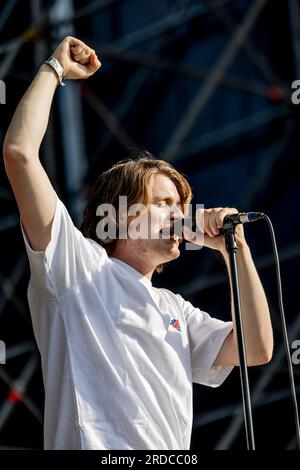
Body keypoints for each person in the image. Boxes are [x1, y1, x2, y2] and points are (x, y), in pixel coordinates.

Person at [3, 37, 273, 450]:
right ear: (122, 213)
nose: (179, 213)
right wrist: (55, 70)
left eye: (181, 205)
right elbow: (20, 153)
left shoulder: (174, 309)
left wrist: (235, 250)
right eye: (164, 203)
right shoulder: (77, 267)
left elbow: (256, 348)